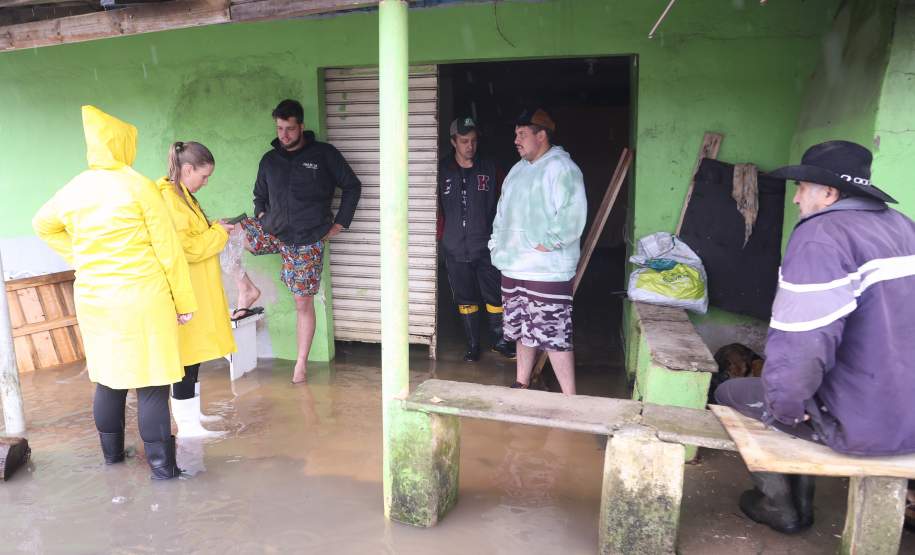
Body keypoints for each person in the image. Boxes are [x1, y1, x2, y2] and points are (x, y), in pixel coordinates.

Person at [715, 140, 915, 534]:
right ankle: (799, 498)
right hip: (907, 414)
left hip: (865, 428)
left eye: (801, 188)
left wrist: (786, 407)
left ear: (829, 193)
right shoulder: (902, 226)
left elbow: (801, 347)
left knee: (732, 394)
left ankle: (782, 507)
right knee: (799, 394)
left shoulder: (822, 238)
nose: (796, 200)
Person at [33, 105, 196, 480]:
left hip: (95, 299)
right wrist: (184, 302)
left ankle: (112, 461)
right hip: (142, 297)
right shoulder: (137, 186)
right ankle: (163, 470)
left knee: (108, 378)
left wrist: (82, 256)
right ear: (123, 145)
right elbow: (168, 251)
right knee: (152, 383)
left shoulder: (74, 188)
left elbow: (42, 225)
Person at [236, 99, 361, 384]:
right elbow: (259, 195)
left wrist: (340, 222)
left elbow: (352, 185)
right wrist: (261, 213)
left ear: (301, 126)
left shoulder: (324, 155)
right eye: (280, 128)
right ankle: (247, 289)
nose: (284, 135)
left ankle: (300, 365)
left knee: (302, 302)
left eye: (290, 129)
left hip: (306, 240)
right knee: (223, 232)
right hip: (274, 230)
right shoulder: (270, 160)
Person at [488, 108, 587, 394]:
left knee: (553, 335)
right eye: (515, 134)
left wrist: (548, 243)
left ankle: (570, 397)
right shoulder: (517, 171)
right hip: (514, 265)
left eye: (522, 134)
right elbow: (501, 213)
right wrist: (497, 245)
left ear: (541, 135)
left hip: (547, 269)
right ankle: (522, 381)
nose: (516, 140)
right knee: (521, 330)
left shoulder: (562, 169)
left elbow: (572, 215)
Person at [156, 141, 242, 438]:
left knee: (195, 355)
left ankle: (193, 415)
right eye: (204, 176)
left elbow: (195, 235)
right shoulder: (169, 200)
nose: (206, 182)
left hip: (198, 287)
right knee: (186, 358)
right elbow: (188, 248)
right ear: (187, 169)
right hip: (185, 290)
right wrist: (217, 233)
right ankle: (188, 426)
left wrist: (213, 228)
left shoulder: (184, 196)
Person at [438, 116, 514, 362]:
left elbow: (506, 205)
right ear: (453, 142)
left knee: (494, 295)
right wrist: (443, 237)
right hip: (454, 248)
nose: (470, 146)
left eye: (473, 141)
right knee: (465, 298)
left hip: (486, 246)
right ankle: (472, 345)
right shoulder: (442, 170)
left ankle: (499, 340)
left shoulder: (490, 169)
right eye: (464, 141)